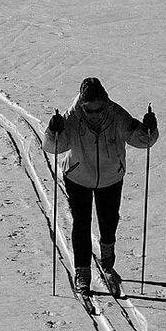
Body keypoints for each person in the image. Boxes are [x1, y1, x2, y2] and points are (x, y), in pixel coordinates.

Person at [43, 77, 157, 296]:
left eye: (98, 109)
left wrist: (149, 129)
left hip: (111, 177)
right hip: (78, 177)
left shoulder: (117, 115)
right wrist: (52, 130)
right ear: (83, 105)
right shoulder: (72, 117)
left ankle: (107, 257)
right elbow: (52, 146)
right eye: (89, 109)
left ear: (104, 101)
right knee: (81, 224)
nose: (94, 114)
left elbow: (141, 140)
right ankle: (82, 271)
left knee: (109, 220)